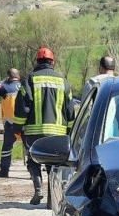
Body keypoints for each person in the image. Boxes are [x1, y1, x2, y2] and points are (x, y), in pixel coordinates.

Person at [14, 47, 75, 205]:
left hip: (34, 131)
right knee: (53, 166)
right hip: (58, 133)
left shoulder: (30, 79)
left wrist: (17, 128)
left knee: (33, 160)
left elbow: (23, 107)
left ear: (37, 61)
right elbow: (69, 109)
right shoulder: (63, 81)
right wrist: (70, 131)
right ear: (52, 62)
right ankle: (51, 201)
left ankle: (38, 189)